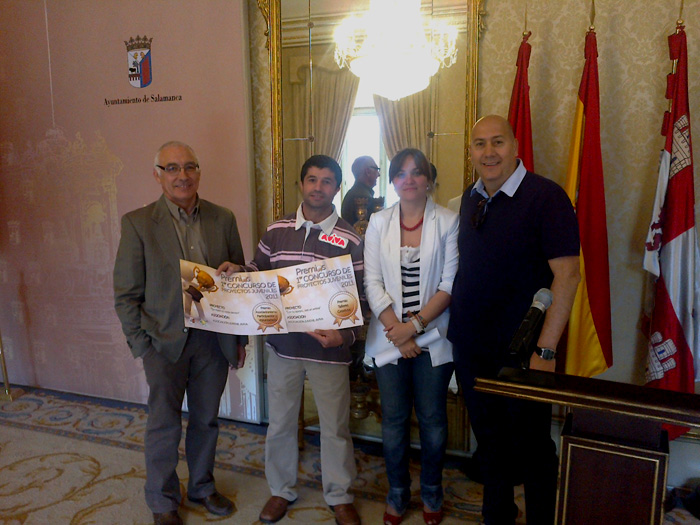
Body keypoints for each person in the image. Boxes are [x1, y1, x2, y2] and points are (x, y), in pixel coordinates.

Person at [448, 115, 581, 525]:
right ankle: (498, 515)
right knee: (489, 442)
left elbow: (568, 275)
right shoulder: (471, 198)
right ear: (470, 151)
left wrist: (546, 349)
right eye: (479, 144)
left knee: (533, 447)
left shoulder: (546, 196)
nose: (488, 153)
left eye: (498, 142)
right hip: (471, 346)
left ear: (516, 146)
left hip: (524, 353)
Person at [218, 155, 364, 525]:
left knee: (335, 426)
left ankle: (339, 494)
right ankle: (281, 489)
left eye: (327, 181)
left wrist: (343, 335)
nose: (318, 187)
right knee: (280, 422)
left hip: (328, 351)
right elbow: (258, 274)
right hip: (284, 347)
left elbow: (362, 298)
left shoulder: (350, 238)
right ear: (301, 184)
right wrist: (240, 271)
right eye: (312, 179)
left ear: (337, 187)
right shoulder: (276, 230)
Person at [113, 141, 247, 525]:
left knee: (206, 420)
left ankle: (203, 487)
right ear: (157, 175)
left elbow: (238, 280)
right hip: (163, 341)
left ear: (199, 172)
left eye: (189, 167)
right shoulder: (137, 223)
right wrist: (142, 346)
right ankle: (163, 500)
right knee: (164, 423)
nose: (182, 175)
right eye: (172, 168)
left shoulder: (223, 218)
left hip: (212, 340)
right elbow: (126, 293)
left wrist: (237, 338)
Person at [364, 148, 459, 525]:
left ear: (429, 179)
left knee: (433, 419)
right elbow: (372, 282)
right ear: (392, 181)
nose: (409, 180)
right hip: (389, 339)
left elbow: (449, 284)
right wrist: (398, 333)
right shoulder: (377, 222)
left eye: (417, 173)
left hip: (433, 337)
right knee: (393, 420)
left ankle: (432, 492)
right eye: (401, 174)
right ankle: (398, 493)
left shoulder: (449, 222)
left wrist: (413, 327)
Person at [341, 155, 380, 226]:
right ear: (368, 171)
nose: (378, 174)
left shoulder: (353, 193)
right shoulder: (363, 197)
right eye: (376, 169)